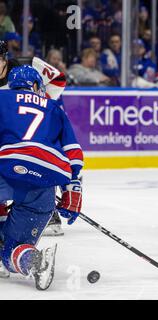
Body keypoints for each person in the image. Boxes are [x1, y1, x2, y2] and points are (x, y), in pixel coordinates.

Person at [0, 65, 83, 289]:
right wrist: (72, 189)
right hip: (45, 180)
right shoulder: (55, 108)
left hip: (6, 168)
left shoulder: (1, 98)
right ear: (37, 86)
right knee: (13, 248)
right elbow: (73, 155)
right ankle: (34, 261)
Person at [0, 40, 69, 237]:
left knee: (42, 155)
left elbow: (58, 80)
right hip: (9, 131)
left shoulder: (27, 65)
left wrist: (38, 102)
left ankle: (50, 211)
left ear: (5, 59)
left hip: (36, 121)